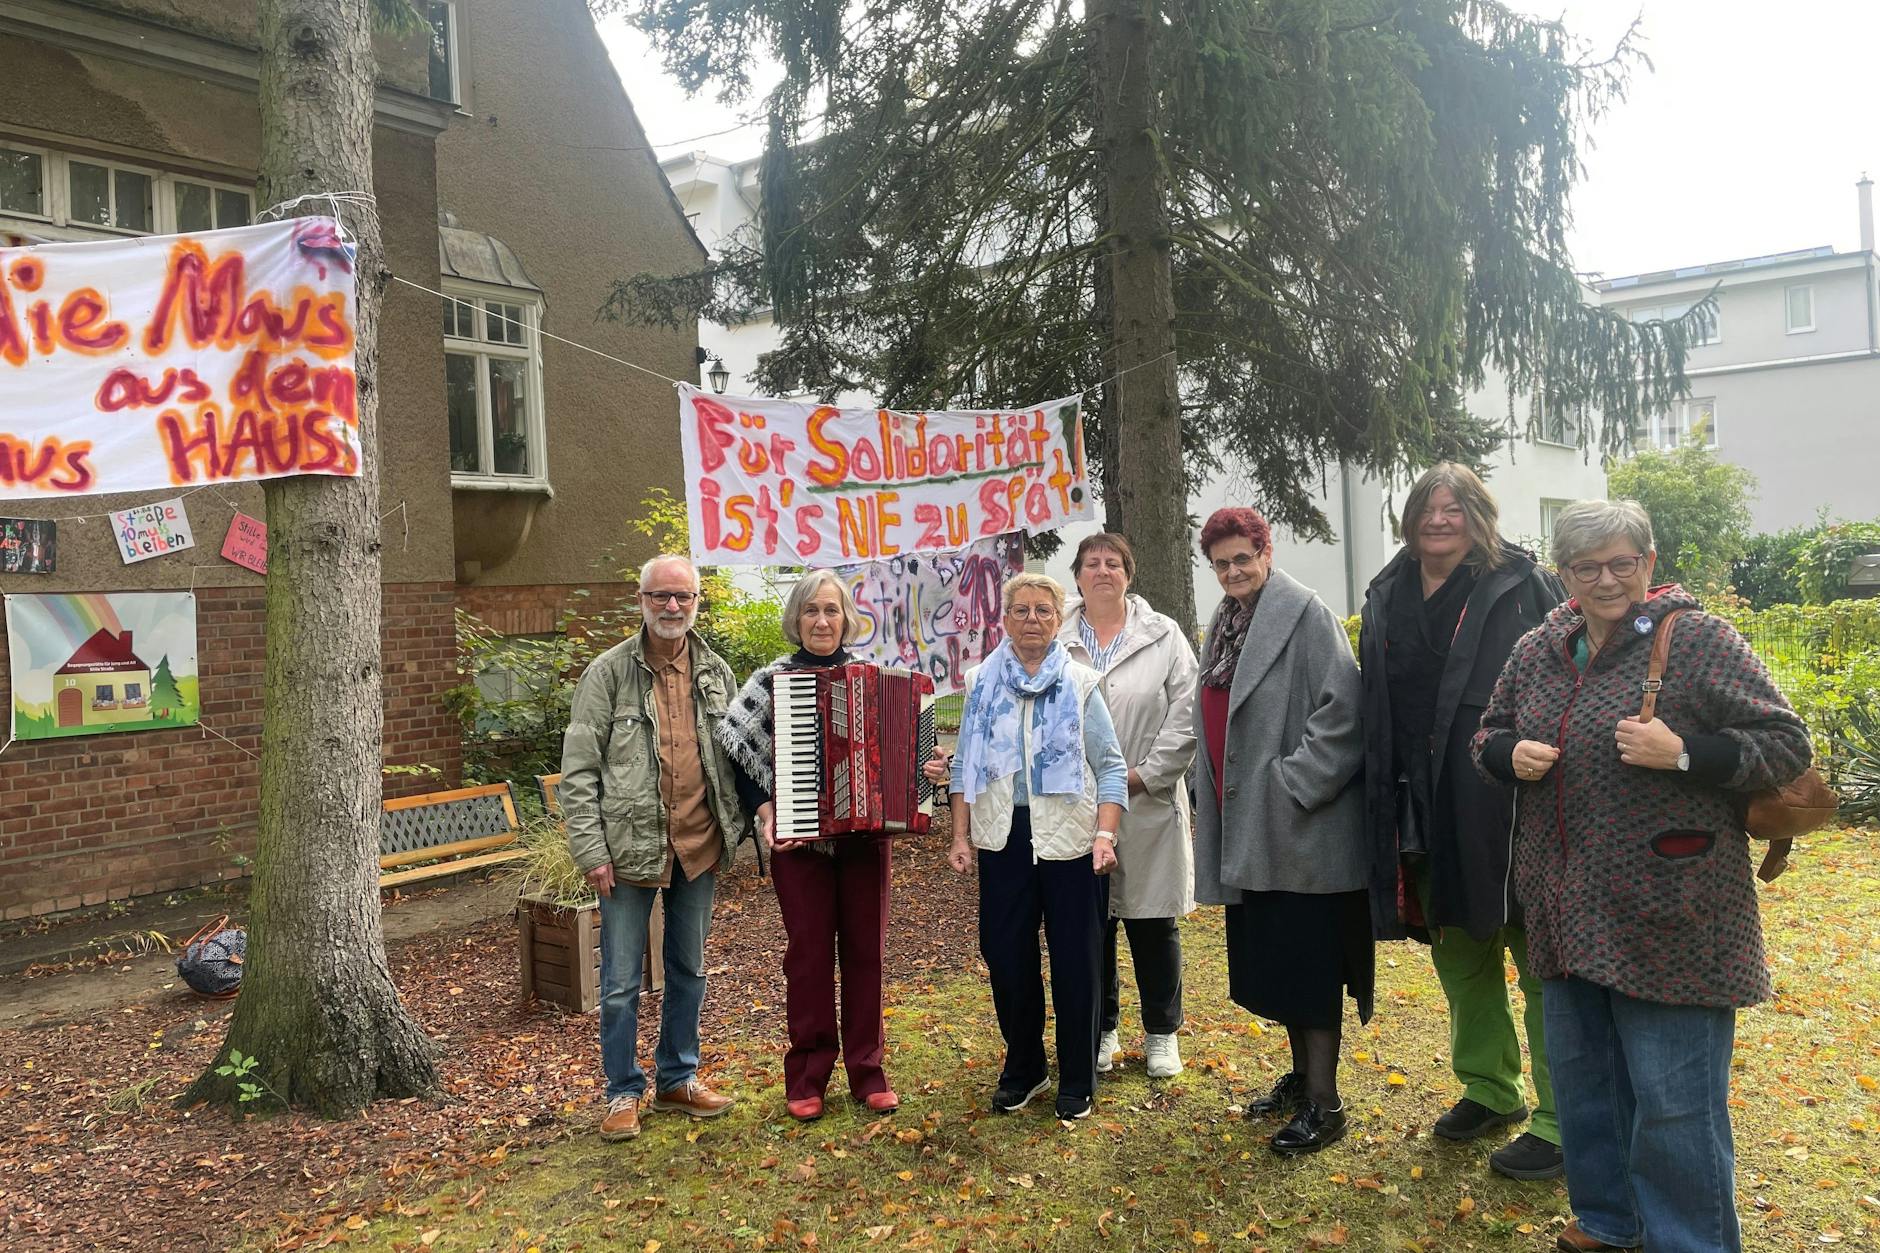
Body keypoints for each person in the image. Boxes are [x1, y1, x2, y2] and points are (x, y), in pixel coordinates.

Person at [1473, 499, 1812, 1253]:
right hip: (1565, 906)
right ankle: (1609, 1219)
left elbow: (1787, 743)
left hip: (1674, 909)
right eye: (1586, 565)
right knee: (1588, 1087)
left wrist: (1686, 751)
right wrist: (1509, 755)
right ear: (1563, 573)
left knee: (1672, 1101)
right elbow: (1486, 733)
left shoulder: (1696, 640)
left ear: (1649, 563)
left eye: (1621, 561)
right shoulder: (1541, 647)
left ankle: (1689, 1240)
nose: (1605, 579)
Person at [1358, 463, 1566, 1180]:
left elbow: (1569, 680)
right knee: (1455, 943)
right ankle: (1490, 1085)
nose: (1438, 520)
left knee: (1535, 951)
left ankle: (1561, 1117)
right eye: (1427, 508)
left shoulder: (1522, 583)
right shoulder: (1386, 589)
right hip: (1420, 799)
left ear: (1478, 515)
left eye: (1453, 508)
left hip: (1504, 797)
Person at [1192, 507, 1370, 1156]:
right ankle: (1301, 1080)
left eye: (1244, 557)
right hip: (1251, 829)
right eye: (1222, 562)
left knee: (1311, 967)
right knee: (1281, 966)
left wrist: (1291, 785)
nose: (1234, 569)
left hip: (1302, 831)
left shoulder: (1305, 613)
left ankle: (1327, 1105)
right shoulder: (1230, 621)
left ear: (1267, 553)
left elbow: (1345, 711)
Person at [561, 554, 749, 1142]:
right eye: (660, 596)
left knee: (688, 968)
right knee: (619, 982)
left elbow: (741, 757)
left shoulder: (717, 672)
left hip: (698, 844)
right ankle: (622, 1091)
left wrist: (746, 824)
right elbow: (579, 771)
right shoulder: (608, 673)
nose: (672, 607)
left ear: (698, 602)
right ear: (640, 600)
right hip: (627, 851)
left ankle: (677, 1078)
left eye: (683, 597)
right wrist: (591, 849)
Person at [946, 572, 1129, 1121]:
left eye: (1043, 611)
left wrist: (1105, 834)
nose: (1032, 620)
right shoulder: (981, 682)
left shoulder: (1080, 682)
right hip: (1003, 836)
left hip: (1071, 839)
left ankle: (1078, 1076)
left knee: (1077, 959)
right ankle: (1025, 1064)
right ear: (1005, 619)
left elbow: (1112, 768)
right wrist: (960, 834)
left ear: (1058, 620)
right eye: (1021, 610)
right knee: (1005, 956)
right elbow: (964, 767)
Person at [719, 570, 899, 1122]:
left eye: (832, 610)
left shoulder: (874, 679)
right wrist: (766, 808)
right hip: (798, 844)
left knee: (866, 954)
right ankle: (807, 1076)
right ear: (796, 619)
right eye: (811, 611)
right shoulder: (771, 681)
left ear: (847, 618)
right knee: (809, 957)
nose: (822, 621)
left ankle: (869, 1073)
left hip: (866, 841)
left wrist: (916, 777)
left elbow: (899, 745)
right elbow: (737, 744)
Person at [1058, 533, 1199, 1080]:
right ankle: (1103, 1028)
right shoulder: (1056, 634)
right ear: (1077, 575)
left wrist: (1139, 778)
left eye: (1113, 562)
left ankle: (1162, 1032)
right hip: (1074, 805)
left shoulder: (1163, 635)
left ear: (1128, 574)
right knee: (1091, 923)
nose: (1102, 571)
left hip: (1147, 800)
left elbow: (1185, 717)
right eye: (1091, 563)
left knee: (1151, 921)